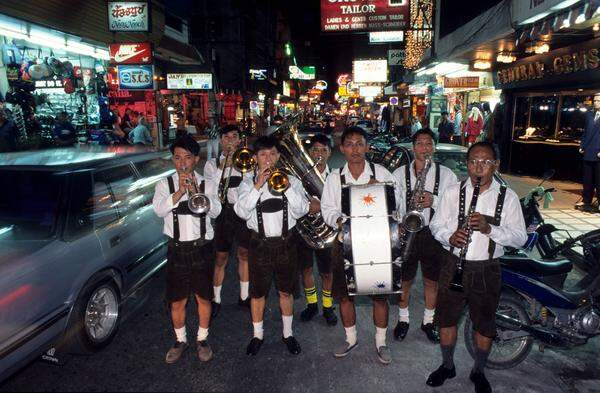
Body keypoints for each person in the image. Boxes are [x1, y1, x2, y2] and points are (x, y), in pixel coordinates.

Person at [426, 141, 527, 393]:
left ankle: (478, 371)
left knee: (484, 323)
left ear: (496, 165)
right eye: (473, 162)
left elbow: (519, 237)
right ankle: (447, 365)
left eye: (485, 162)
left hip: (486, 268)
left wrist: (489, 228)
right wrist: (449, 236)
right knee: (446, 319)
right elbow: (436, 225)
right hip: (453, 264)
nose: (478, 168)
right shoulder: (452, 192)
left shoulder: (508, 197)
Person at [321, 126, 400, 365]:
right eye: (350, 144)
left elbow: (399, 208)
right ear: (342, 148)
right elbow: (327, 208)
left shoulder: (383, 173)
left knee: (379, 295)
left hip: (378, 244)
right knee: (345, 296)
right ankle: (351, 338)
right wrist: (337, 220)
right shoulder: (335, 177)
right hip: (345, 243)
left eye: (360, 143)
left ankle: (381, 342)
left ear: (367, 147)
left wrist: (382, 192)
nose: (355, 149)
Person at [234, 135, 309, 356]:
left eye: (272, 154)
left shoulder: (292, 180)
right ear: (255, 158)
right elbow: (241, 211)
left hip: (286, 243)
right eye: (263, 155)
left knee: (285, 292)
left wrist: (284, 187)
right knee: (258, 294)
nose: (268, 159)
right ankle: (257, 335)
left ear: (278, 156)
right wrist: (258, 185)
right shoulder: (247, 183)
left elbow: (302, 209)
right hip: (259, 244)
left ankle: (288, 334)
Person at [152, 135, 222, 364]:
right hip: (177, 250)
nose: (182, 162)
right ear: (173, 160)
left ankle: (202, 338)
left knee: (204, 298)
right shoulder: (165, 184)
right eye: (177, 157)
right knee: (177, 300)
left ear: (196, 160)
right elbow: (160, 211)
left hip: (202, 249)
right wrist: (180, 192)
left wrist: (195, 192)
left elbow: (216, 212)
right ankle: (180, 339)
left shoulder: (207, 183)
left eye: (187, 158)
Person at [392, 128, 458, 344]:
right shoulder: (398, 173)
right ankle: (403, 320)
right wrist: (398, 223)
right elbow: (392, 204)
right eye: (420, 144)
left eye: (429, 144)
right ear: (413, 148)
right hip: (407, 231)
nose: (424, 148)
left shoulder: (447, 175)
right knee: (404, 280)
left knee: (432, 282)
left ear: (434, 148)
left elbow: (455, 207)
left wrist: (434, 201)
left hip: (433, 235)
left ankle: (428, 321)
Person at [204, 124, 250, 317]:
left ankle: (245, 296)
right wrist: (223, 168)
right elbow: (210, 191)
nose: (231, 141)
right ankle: (216, 298)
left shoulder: (247, 161)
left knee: (244, 254)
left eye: (234, 137)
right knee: (221, 257)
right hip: (222, 213)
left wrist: (238, 166)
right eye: (227, 137)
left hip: (241, 213)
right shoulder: (211, 164)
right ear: (221, 140)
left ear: (240, 140)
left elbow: (250, 186)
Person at [297, 134, 337, 326]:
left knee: (327, 273)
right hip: (305, 230)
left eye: (323, 150)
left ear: (330, 153)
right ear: (309, 153)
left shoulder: (336, 176)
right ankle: (312, 304)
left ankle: (328, 305)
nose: (319, 154)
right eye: (315, 150)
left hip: (328, 232)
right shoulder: (300, 176)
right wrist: (307, 207)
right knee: (305, 269)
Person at [579, 94, 600, 213]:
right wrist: (582, 145)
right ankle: (587, 200)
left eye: (598, 100)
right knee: (587, 179)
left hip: (598, 152)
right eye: (595, 100)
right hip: (588, 151)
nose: (595, 102)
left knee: (599, 179)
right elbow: (586, 132)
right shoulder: (589, 114)